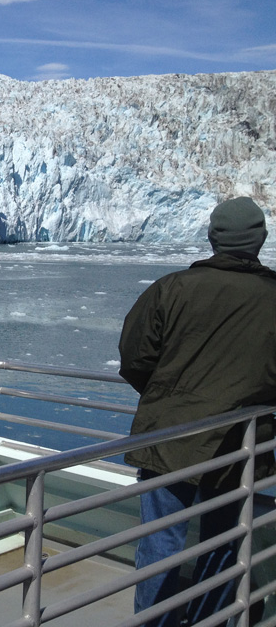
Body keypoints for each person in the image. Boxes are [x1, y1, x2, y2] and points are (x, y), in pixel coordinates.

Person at [119, 196, 276, 627]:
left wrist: (169, 399)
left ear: (212, 237)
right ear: (260, 240)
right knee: (224, 542)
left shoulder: (171, 288)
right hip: (240, 443)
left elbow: (134, 357)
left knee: (160, 542)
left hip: (169, 439)